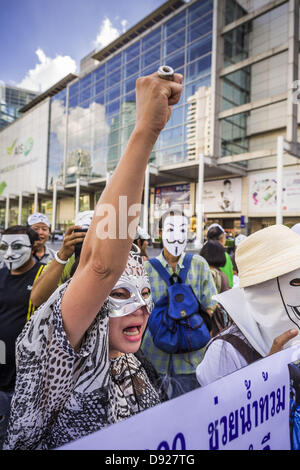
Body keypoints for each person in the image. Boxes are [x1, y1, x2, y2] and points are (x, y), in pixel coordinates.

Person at [4, 71, 183, 450]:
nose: (140, 307)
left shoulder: (135, 365)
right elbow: (101, 267)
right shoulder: (57, 346)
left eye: (146, 293)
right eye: (120, 292)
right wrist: (145, 132)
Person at [196, 224, 300, 388]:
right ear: (264, 290)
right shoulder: (226, 351)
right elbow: (219, 409)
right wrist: (266, 376)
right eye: (297, 282)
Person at [141, 210, 217, 400]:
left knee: (188, 416)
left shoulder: (200, 264)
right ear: (160, 232)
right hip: (155, 359)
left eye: (182, 230)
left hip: (190, 361)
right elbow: (210, 305)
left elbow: (212, 303)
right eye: (171, 229)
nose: (177, 236)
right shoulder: (145, 269)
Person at [0, 225, 45, 449]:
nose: (9, 253)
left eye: (17, 246)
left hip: (25, 378)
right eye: (3, 246)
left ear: (34, 246)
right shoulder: (0, 274)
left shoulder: (43, 275)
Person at [29, 211, 93, 308]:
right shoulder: (65, 260)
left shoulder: (121, 261)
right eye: (82, 234)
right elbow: (37, 300)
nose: (40, 232)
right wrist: (63, 255)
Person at [206, 223, 234, 288]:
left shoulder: (202, 254)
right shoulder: (224, 256)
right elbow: (229, 283)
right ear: (222, 239)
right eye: (225, 237)